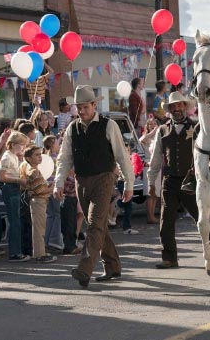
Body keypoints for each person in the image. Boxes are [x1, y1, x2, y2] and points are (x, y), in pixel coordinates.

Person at [54, 85, 135, 287]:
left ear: (93, 105)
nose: (81, 111)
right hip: (82, 180)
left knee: (95, 223)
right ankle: (113, 265)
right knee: (96, 225)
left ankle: (85, 269)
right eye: (78, 107)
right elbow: (64, 158)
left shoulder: (109, 126)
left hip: (104, 178)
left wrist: (129, 183)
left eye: (85, 107)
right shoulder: (72, 129)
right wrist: (58, 182)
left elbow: (122, 157)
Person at [147, 91, 210, 269]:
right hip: (170, 180)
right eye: (173, 106)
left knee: (201, 216)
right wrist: (151, 182)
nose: (176, 109)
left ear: (185, 107)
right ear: (169, 109)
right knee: (166, 220)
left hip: (192, 180)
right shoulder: (162, 129)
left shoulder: (196, 127)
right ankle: (169, 257)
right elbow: (156, 158)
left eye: (179, 105)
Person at [0, 131, 30, 262]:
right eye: (21, 145)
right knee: (14, 221)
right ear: (12, 144)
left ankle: (17, 250)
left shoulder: (14, 156)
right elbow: (2, 177)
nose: (23, 148)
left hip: (15, 188)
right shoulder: (7, 157)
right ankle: (14, 253)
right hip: (10, 188)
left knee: (17, 221)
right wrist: (19, 181)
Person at [24, 145, 57, 263]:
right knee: (39, 229)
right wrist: (53, 186)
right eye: (36, 155)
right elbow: (40, 190)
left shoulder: (35, 170)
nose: (40, 157)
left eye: (40, 154)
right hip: (39, 201)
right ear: (28, 158)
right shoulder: (34, 171)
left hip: (39, 201)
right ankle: (39, 254)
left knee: (40, 228)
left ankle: (40, 252)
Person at [43, 135, 63, 251]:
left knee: (50, 215)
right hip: (54, 188)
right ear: (51, 144)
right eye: (56, 143)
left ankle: (47, 240)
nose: (58, 144)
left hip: (47, 189)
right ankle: (55, 240)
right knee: (57, 214)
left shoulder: (45, 157)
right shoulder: (56, 158)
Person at [140, 117, 160, 224]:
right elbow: (141, 140)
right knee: (149, 192)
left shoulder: (158, 137)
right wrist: (153, 132)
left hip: (157, 166)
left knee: (155, 193)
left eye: (154, 123)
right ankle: (150, 216)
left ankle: (152, 215)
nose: (152, 125)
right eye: (150, 124)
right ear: (147, 126)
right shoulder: (146, 137)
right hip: (148, 165)